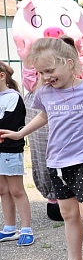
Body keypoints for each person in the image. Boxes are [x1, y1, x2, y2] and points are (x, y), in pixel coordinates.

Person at [0, 38, 83, 260]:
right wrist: (20, 133)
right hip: (57, 162)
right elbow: (44, 115)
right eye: (41, 73)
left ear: (69, 63)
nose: (46, 77)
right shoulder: (44, 92)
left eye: (50, 71)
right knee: (67, 213)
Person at [0, 62, 34, 246]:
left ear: (2, 76)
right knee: (2, 190)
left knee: (16, 190)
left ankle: (26, 229)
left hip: (10, 150)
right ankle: (9, 228)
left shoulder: (13, 97)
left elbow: (9, 124)